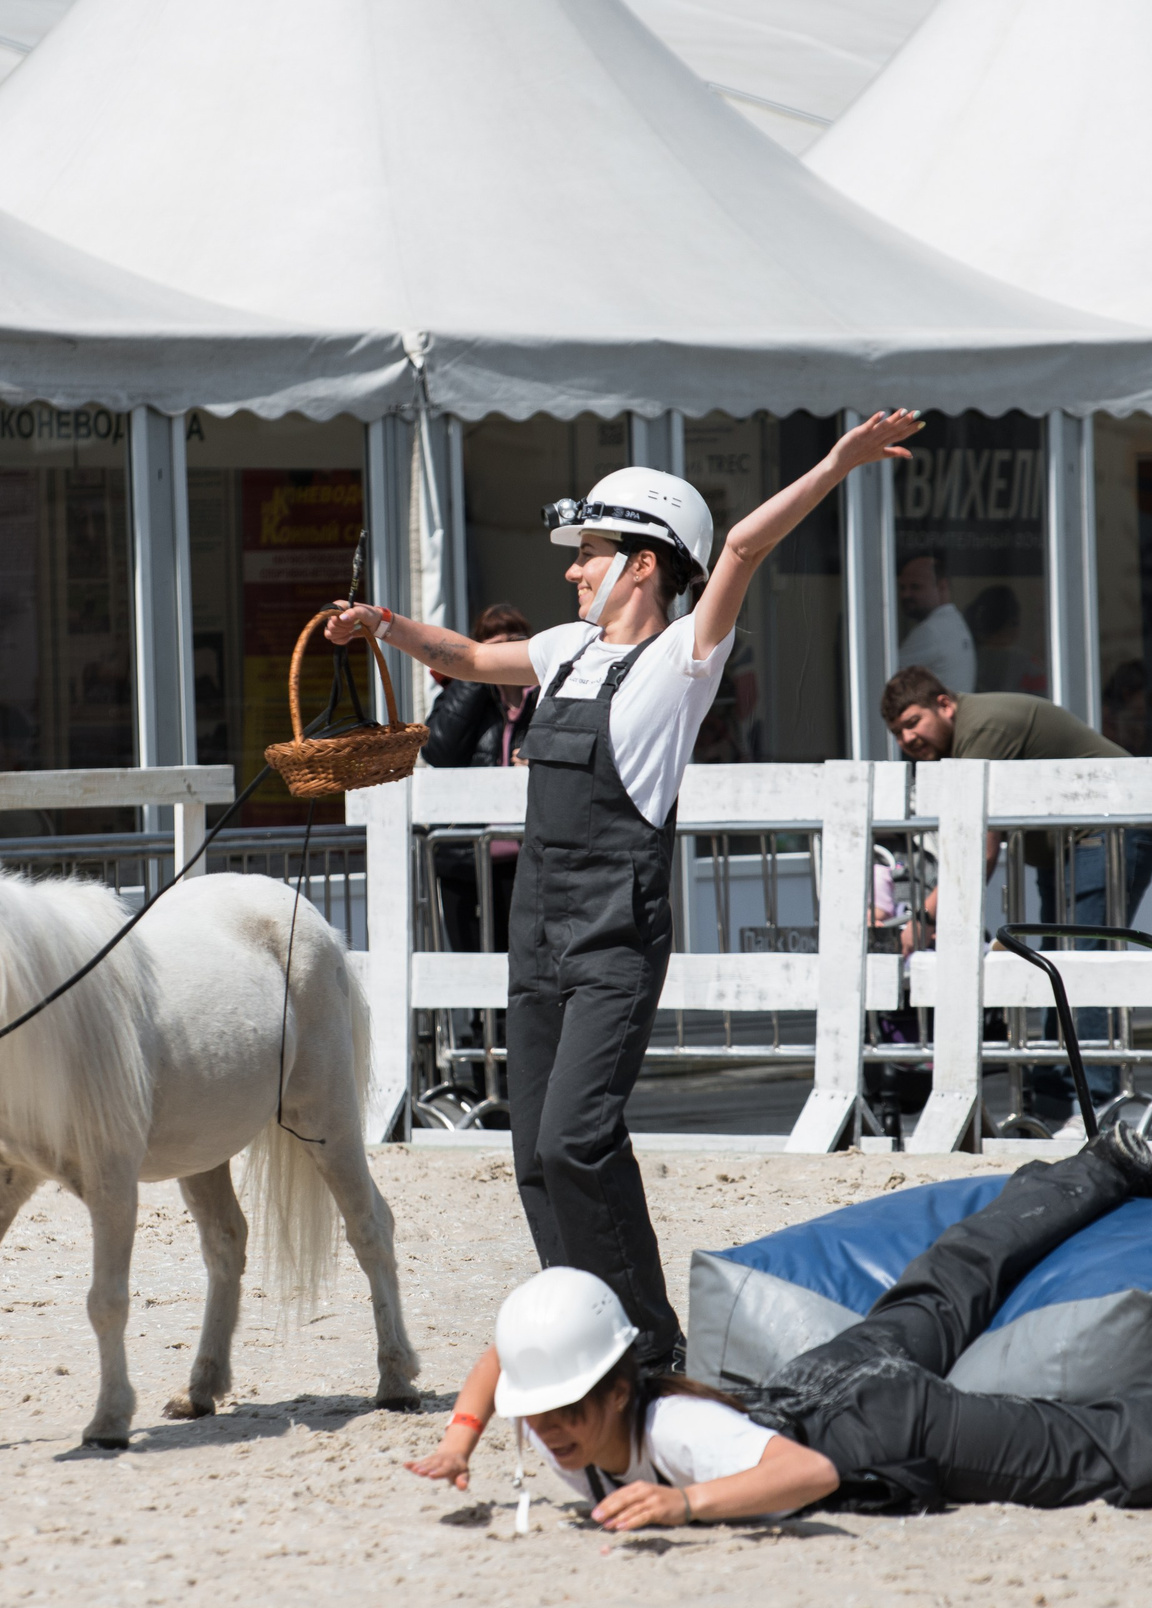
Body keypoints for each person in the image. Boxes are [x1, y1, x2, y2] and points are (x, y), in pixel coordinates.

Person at [325, 411, 926, 1369]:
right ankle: (589, 1341)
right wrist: (383, 628)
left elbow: (739, 545)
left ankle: (651, 1347)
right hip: (537, 933)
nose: (573, 569)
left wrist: (834, 463)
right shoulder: (566, 649)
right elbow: (472, 662)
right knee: (532, 1155)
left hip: (614, 933)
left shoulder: (686, 655)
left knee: (574, 1139)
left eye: (591, 552)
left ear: (643, 563)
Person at [406, 1129, 1152, 1525]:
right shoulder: (566, 1387)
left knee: (1109, 1445)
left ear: (618, 1387)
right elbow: (514, 1343)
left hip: (874, 1428)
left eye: (561, 1415)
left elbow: (807, 1478)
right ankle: (1098, 1165)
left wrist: (684, 1503)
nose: (544, 1433)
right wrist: (463, 1429)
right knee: (945, 1277)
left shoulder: (677, 1433)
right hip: (829, 1369)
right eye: (535, 1417)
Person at [881, 664, 1152, 1132]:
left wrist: (923, 920)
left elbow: (977, 850)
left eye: (913, 722)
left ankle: (1096, 1100)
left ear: (944, 704)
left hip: (1108, 829)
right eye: (897, 732)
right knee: (1052, 965)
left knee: (1084, 963)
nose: (907, 739)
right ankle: (1054, 1097)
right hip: (1064, 846)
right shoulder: (962, 739)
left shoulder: (980, 728)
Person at [421, 603, 539, 956]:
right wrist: (475, 671)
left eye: (513, 641)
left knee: (525, 960)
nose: (504, 652)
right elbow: (438, 750)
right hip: (465, 856)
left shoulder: (549, 693)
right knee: (471, 963)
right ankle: (476, 1016)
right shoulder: (469, 694)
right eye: (493, 645)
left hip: (527, 856)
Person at [895, 554, 975, 693]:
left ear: (942, 586)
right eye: (902, 587)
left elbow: (883, 677)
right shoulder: (954, 622)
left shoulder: (932, 630)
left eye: (915, 587)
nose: (905, 595)